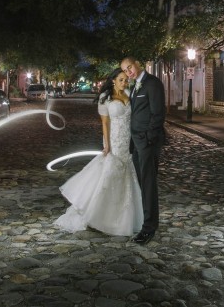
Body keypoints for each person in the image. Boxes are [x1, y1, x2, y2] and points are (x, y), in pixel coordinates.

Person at [54, 68, 144, 236]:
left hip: (128, 141)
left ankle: (122, 218)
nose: (125, 82)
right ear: (113, 81)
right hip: (115, 141)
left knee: (126, 176)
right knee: (109, 175)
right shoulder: (105, 98)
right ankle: (98, 216)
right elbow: (105, 123)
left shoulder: (129, 94)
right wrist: (107, 144)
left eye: (126, 80)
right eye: (121, 79)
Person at [120, 56, 165, 244]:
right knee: (142, 184)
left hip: (146, 143)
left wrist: (148, 140)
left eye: (129, 67)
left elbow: (158, 114)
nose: (128, 72)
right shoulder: (135, 86)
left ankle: (149, 228)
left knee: (148, 185)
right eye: (125, 70)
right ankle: (145, 222)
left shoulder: (152, 83)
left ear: (137, 63)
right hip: (136, 143)